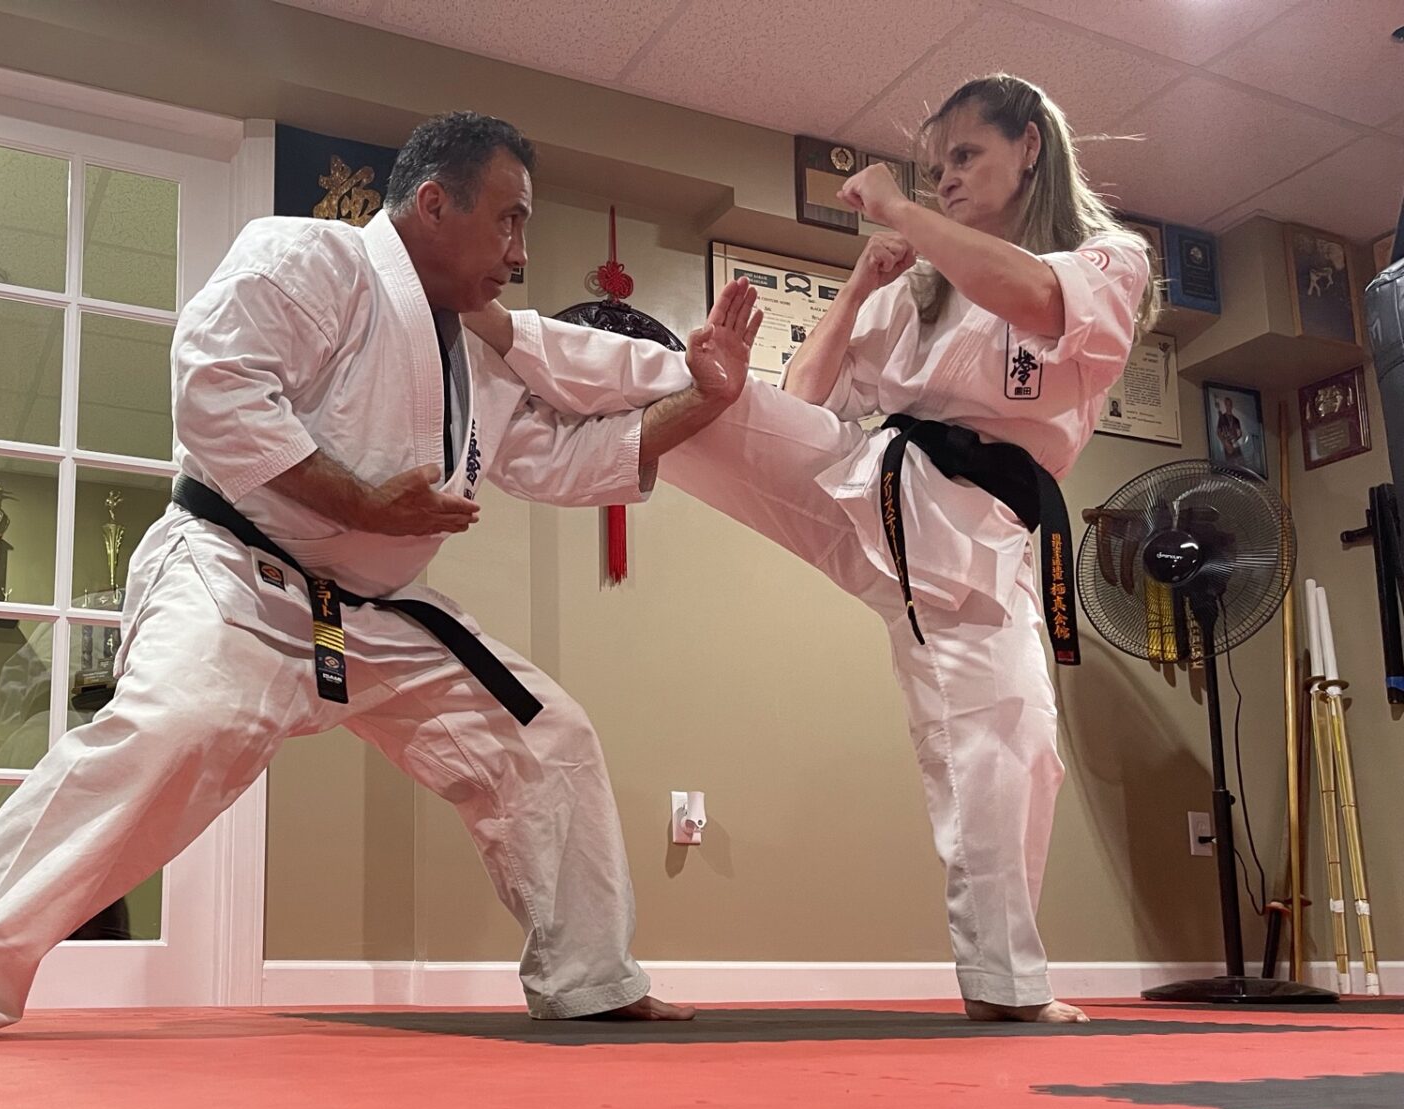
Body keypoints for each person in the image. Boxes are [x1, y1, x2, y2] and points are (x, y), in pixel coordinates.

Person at [0, 111, 760, 1044]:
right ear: (434, 204)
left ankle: (590, 978)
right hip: (236, 572)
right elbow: (216, 386)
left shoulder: (472, 351)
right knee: (177, 725)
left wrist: (706, 398)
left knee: (546, 736)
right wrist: (359, 502)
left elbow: (565, 461)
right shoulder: (307, 258)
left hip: (381, 614)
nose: (520, 254)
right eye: (509, 220)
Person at [467, 75, 1156, 1023]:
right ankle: (500, 335)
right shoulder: (917, 289)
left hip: (977, 549)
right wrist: (863, 285)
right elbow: (805, 391)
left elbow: (1034, 299)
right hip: (868, 491)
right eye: (934, 165)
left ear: (1030, 146)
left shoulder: (1106, 260)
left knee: (1016, 752)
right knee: (706, 387)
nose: (946, 179)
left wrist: (906, 213)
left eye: (966, 156)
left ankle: (1006, 990)